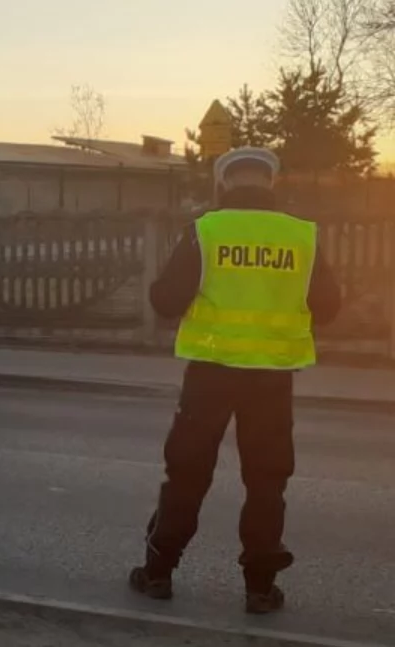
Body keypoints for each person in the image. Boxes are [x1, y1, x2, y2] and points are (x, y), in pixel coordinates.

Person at [129, 147, 341, 614]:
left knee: (186, 474)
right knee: (266, 482)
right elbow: (328, 307)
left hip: (210, 372)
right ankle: (260, 589)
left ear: (225, 184)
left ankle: (159, 573)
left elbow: (166, 301)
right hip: (272, 377)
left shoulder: (205, 230)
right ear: (271, 183)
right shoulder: (301, 236)